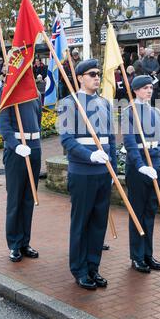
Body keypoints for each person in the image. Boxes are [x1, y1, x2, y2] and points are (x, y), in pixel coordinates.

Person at [59, 59, 117, 290]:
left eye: (98, 74)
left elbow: (111, 139)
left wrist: (113, 166)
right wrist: (89, 156)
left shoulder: (104, 103)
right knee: (81, 222)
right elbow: (67, 139)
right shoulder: (69, 103)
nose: (96, 78)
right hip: (83, 170)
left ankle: (93, 267)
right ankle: (80, 269)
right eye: (92, 74)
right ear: (80, 77)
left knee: (98, 223)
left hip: (103, 171)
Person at [122, 75, 160, 273]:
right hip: (138, 167)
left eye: (151, 87)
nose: (149, 90)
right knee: (138, 213)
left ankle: (148, 253)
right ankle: (137, 256)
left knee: (150, 212)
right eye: (145, 88)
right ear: (136, 90)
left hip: (154, 165)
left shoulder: (156, 111)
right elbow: (130, 144)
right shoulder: (128, 112)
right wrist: (140, 165)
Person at [0, 93, 42, 262]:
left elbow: (38, 118)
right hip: (17, 150)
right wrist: (16, 146)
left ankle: (24, 242)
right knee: (15, 199)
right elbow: (4, 125)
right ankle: (14, 244)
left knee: (29, 199)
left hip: (34, 147)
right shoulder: (9, 93)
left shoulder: (34, 94)